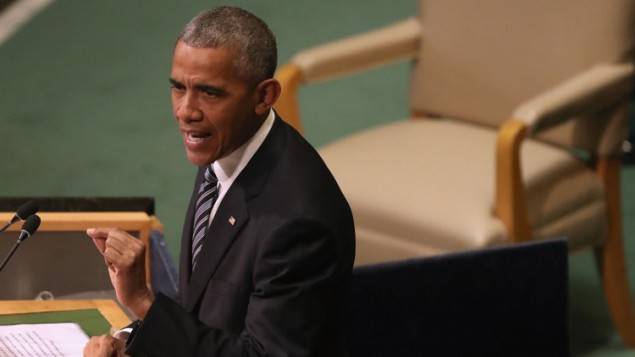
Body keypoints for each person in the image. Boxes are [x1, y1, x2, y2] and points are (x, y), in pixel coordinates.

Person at [82, 6, 355, 357]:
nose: (186, 111)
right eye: (178, 88)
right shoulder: (225, 146)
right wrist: (127, 339)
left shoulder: (298, 222)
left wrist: (145, 303)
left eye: (209, 93)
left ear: (264, 97)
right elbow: (205, 307)